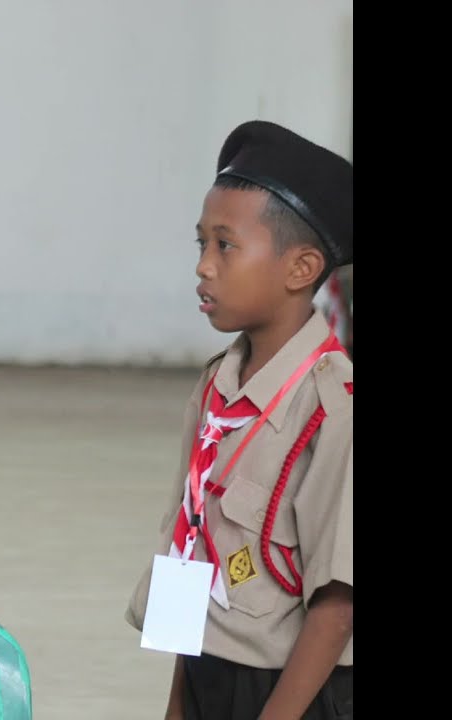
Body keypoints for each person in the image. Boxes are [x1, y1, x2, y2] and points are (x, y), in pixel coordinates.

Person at [125, 120, 353, 719]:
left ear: (300, 269)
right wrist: (178, 706)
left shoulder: (334, 407)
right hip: (209, 679)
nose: (203, 266)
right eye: (200, 244)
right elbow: (190, 541)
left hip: (296, 692)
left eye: (225, 246)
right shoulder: (215, 388)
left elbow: (338, 606)